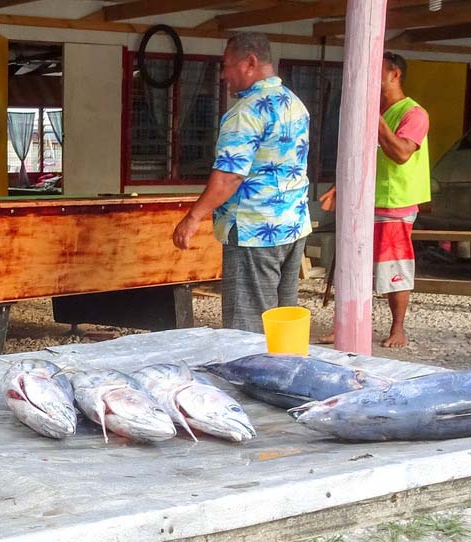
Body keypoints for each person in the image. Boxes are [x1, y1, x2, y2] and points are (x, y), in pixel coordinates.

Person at [171, 32, 311, 333]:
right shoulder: (295, 103)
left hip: (254, 230)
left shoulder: (246, 112)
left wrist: (193, 217)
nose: (223, 75)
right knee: (283, 319)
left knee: (248, 327)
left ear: (250, 62)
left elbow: (230, 175)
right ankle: (285, 372)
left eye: (226, 65)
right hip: (293, 225)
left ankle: (251, 378)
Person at [318, 52, 430, 348]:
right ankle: (347, 326)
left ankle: (398, 329)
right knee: (350, 265)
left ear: (395, 74)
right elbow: (358, 155)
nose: (369, 78)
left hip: (394, 203)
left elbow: (402, 153)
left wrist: (375, 119)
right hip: (363, 200)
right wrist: (338, 186)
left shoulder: (414, 113)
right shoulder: (376, 111)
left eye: (376, 71)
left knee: (394, 268)